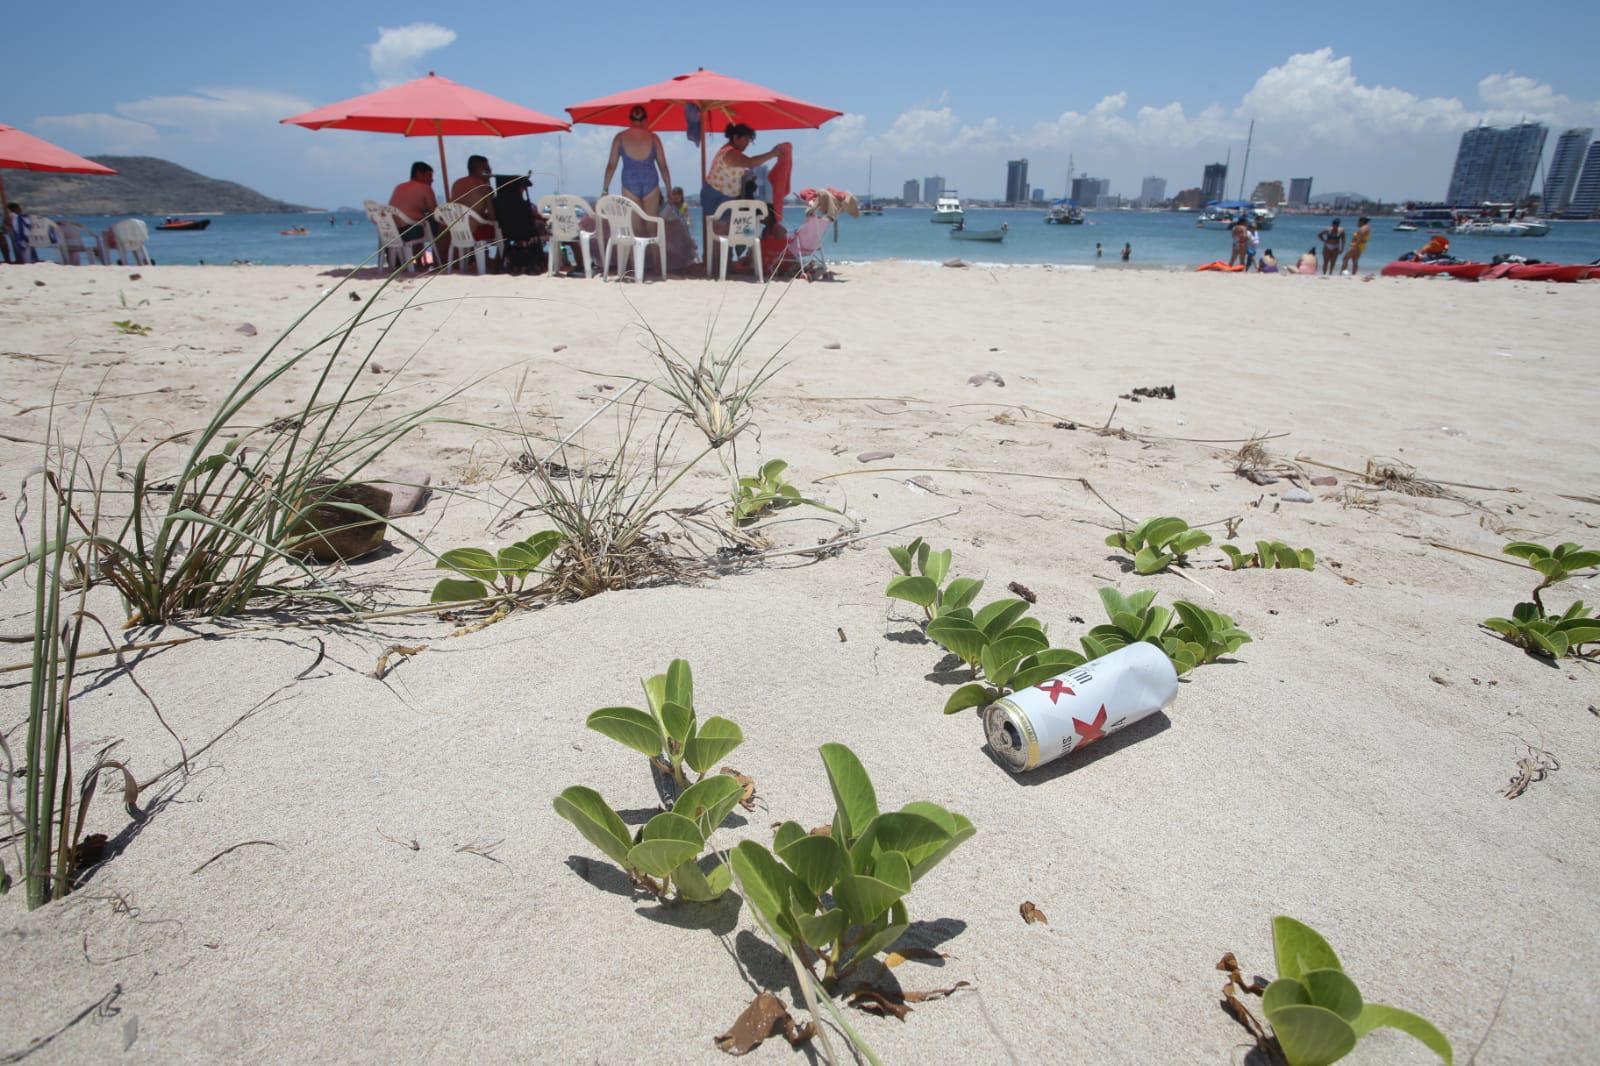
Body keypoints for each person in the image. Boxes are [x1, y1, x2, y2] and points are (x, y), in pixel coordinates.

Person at [702, 123, 788, 231]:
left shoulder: (730, 152)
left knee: (728, 236)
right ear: (735, 138)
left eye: (748, 142)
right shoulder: (730, 153)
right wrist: (772, 154)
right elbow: (750, 162)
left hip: (722, 198)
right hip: (716, 197)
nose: (747, 144)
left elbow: (735, 170)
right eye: (745, 140)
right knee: (721, 236)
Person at [603, 106, 672, 218]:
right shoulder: (654, 138)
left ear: (630, 119)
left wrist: (605, 189)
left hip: (629, 184)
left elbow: (611, 166)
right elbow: (663, 167)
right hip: (651, 183)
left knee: (636, 230)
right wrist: (669, 189)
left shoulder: (619, 138)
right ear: (645, 120)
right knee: (651, 226)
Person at [449, 154, 499, 242]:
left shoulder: (457, 183)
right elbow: (493, 216)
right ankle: (499, 256)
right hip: (474, 232)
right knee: (504, 228)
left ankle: (484, 255)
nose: (491, 171)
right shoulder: (485, 187)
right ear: (480, 169)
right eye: (487, 169)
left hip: (457, 232)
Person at [389, 161, 439, 245]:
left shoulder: (399, 187)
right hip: (410, 232)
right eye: (429, 176)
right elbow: (435, 214)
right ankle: (440, 257)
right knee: (444, 228)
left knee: (423, 224)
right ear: (419, 174)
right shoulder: (425, 188)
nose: (432, 180)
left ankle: (414, 257)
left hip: (392, 232)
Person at [660, 185, 699, 272]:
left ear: (681, 196)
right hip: (672, 230)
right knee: (687, 237)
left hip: (681, 229)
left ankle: (691, 257)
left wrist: (688, 223)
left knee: (687, 233)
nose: (677, 197)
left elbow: (686, 217)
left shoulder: (683, 206)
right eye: (675, 195)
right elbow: (664, 217)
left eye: (679, 195)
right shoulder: (669, 206)